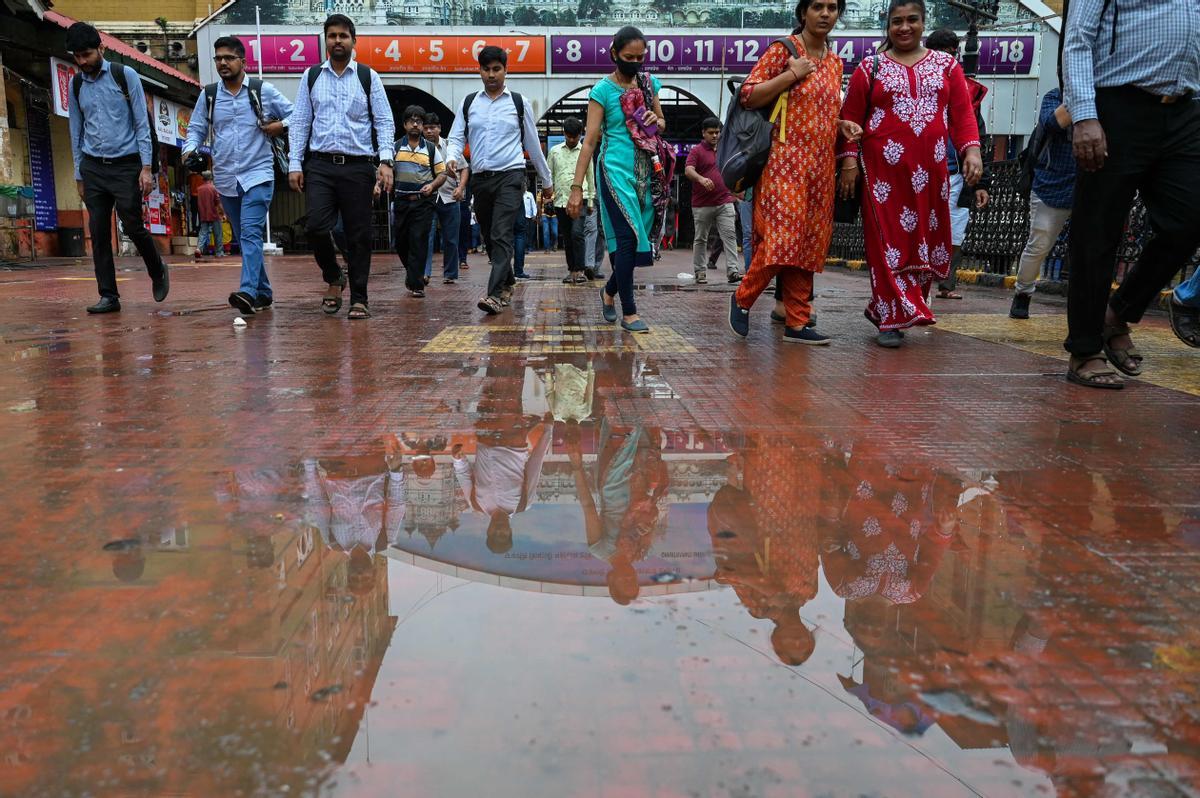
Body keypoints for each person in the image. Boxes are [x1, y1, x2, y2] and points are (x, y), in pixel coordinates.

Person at [1061, 0, 1200, 388]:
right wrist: (1085, 114)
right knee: (1097, 232)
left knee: (1191, 218)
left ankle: (1118, 310)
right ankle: (1085, 349)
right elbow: (1077, 39)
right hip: (1117, 105)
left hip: (1185, 110)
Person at [838, 0, 982, 348]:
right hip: (881, 174)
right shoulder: (869, 68)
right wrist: (849, 163)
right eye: (897, 21)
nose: (904, 27)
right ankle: (890, 316)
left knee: (925, 240)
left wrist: (972, 151)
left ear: (923, 22)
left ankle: (895, 305)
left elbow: (962, 115)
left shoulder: (947, 66)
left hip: (932, 174)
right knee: (886, 242)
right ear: (888, 27)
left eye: (912, 20)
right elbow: (849, 119)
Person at [727, 0, 855, 344]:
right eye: (817, 6)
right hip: (783, 163)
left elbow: (822, 108)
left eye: (832, 7)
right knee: (783, 240)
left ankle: (797, 322)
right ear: (803, 13)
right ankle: (742, 298)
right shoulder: (783, 50)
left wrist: (841, 124)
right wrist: (791, 73)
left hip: (819, 168)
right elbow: (748, 96)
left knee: (809, 243)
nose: (825, 13)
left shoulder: (835, 62)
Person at [287, 14, 395, 321]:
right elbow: (300, 123)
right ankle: (334, 276)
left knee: (359, 234)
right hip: (319, 165)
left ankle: (359, 299)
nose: (337, 41)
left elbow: (384, 121)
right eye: (332, 35)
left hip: (358, 167)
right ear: (325, 40)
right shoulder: (311, 77)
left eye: (343, 36)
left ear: (353, 41)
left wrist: (385, 161)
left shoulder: (367, 76)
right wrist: (295, 163)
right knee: (316, 227)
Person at [567, 26, 667, 335]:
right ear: (614, 54)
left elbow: (661, 123)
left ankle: (609, 291)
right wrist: (576, 188)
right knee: (625, 239)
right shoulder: (602, 91)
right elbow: (589, 142)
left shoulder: (650, 84)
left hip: (646, 171)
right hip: (613, 171)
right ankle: (630, 312)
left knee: (636, 243)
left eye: (640, 57)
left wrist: (656, 120)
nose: (635, 62)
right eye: (628, 57)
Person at [184, 35, 293, 315]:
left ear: (243, 62)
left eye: (228, 58)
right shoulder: (209, 95)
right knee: (247, 236)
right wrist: (190, 150)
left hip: (258, 173)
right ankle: (264, 292)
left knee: (250, 232)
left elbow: (298, 114)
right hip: (225, 178)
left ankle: (247, 291)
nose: (222, 63)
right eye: (218, 58)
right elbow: (195, 128)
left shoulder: (262, 90)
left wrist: (280, 125)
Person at [66, 22, 168, 315]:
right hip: (93, 167)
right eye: (77, 56)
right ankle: (108, 295)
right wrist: (78, 174)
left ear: (101, 49)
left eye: (87, 54)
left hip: (127, 165)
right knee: (98, 231)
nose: (82, 61)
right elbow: (76, 130)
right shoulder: (75, 84)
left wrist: (146, 168)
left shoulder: (125, 76)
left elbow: (141, 124)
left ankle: (157, 269)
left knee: (132, 224)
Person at [446, 46, 553, 316]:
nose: (491, 74)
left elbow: (532, 142)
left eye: (497, 69)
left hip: (511, 176)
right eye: (486, 69)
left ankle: (494, 294)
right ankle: (507, 282)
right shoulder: (469, 102)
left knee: (501, 232)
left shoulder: (518, 102)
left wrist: (546, 180)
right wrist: (451, 157)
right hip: (481, 180)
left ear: (506, 70)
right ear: (479, 71)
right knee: (489, 236)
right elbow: (457, 136)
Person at [925, 28, 991, 301]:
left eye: (951, 55)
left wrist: (981, 183)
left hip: (956, 175)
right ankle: (920, 288)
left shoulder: (966, 92)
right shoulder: (920, 85)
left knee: (954, 233)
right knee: (923, 232)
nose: (946, 61)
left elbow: (979, 138)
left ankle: (945, 283)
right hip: (924, 173)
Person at [1009, 88, 1076, 320]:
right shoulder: (1055, 96)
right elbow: (1052, 123)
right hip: (1051, 183)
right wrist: (1082, 95)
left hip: (1090, 183)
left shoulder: (1107, 95)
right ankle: (1023, 292)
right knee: (1039, 244)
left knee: (1090, 248)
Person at [392, 104, 446, 299]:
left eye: (419, 122)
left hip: (423, 203)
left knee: (418, 240)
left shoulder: (431, 149)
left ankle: (417, 285)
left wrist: (431, 186)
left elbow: (442, 174)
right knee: (400, 242)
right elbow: (385, 170)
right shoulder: (395, 147)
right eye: (411, 121)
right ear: (405, 125)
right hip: (401, 202)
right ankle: (413, 273)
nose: (415, 124)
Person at [686, 117, 743, 285]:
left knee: (730, 236)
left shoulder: (725, 150)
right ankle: (700, 271)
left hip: (725, 201)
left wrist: (737, 191)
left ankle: (733, 271)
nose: (715, 136)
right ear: (703, 133)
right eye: (711, 133)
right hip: (701, 205)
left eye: (717, 132)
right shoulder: (696, 151)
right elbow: (688, 170)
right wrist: (701, 179)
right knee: (701, 238)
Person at [549, 118, 595, 283]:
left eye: (574, 137)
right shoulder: (554, 151)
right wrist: (549, 195)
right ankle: (572, 270)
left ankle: (581, 270)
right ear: (564, 133)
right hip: (560, 200)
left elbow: (590, 176)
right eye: (568, 136)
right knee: (567, 237)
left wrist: (590, 201)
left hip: (581, 200)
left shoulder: (586, 151)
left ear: (580, 134)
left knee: (577, 234)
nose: (571, 140)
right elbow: (550, 175)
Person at [422, 112, 461, 285]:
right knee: (426, 237)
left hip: (449, 196)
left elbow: (465, 168)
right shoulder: (419, 147)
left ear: (439, 128)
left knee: (451, 238)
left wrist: (461, 187)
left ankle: (450, 274)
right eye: (426, 128)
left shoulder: (450, 146)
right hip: (427, 198)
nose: (429, 131)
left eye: (433, 128)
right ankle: (424, 273)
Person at [194, 172, 224, 259]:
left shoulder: (199, 189)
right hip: (213, 214)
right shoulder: (213, 188)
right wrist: (223, 212)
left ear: (203, 179)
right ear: (211, 178)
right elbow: (218, 203)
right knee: (218, 233)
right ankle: (219, 252)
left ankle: (199, 248)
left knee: (203, 232)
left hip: (203, 214)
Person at [513, 183, 537, 279]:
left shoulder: (529, 195)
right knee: (519, 235)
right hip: (517, 197)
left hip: (502, 198)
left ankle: (502, 272)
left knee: (503, 236)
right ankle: (518, 271)